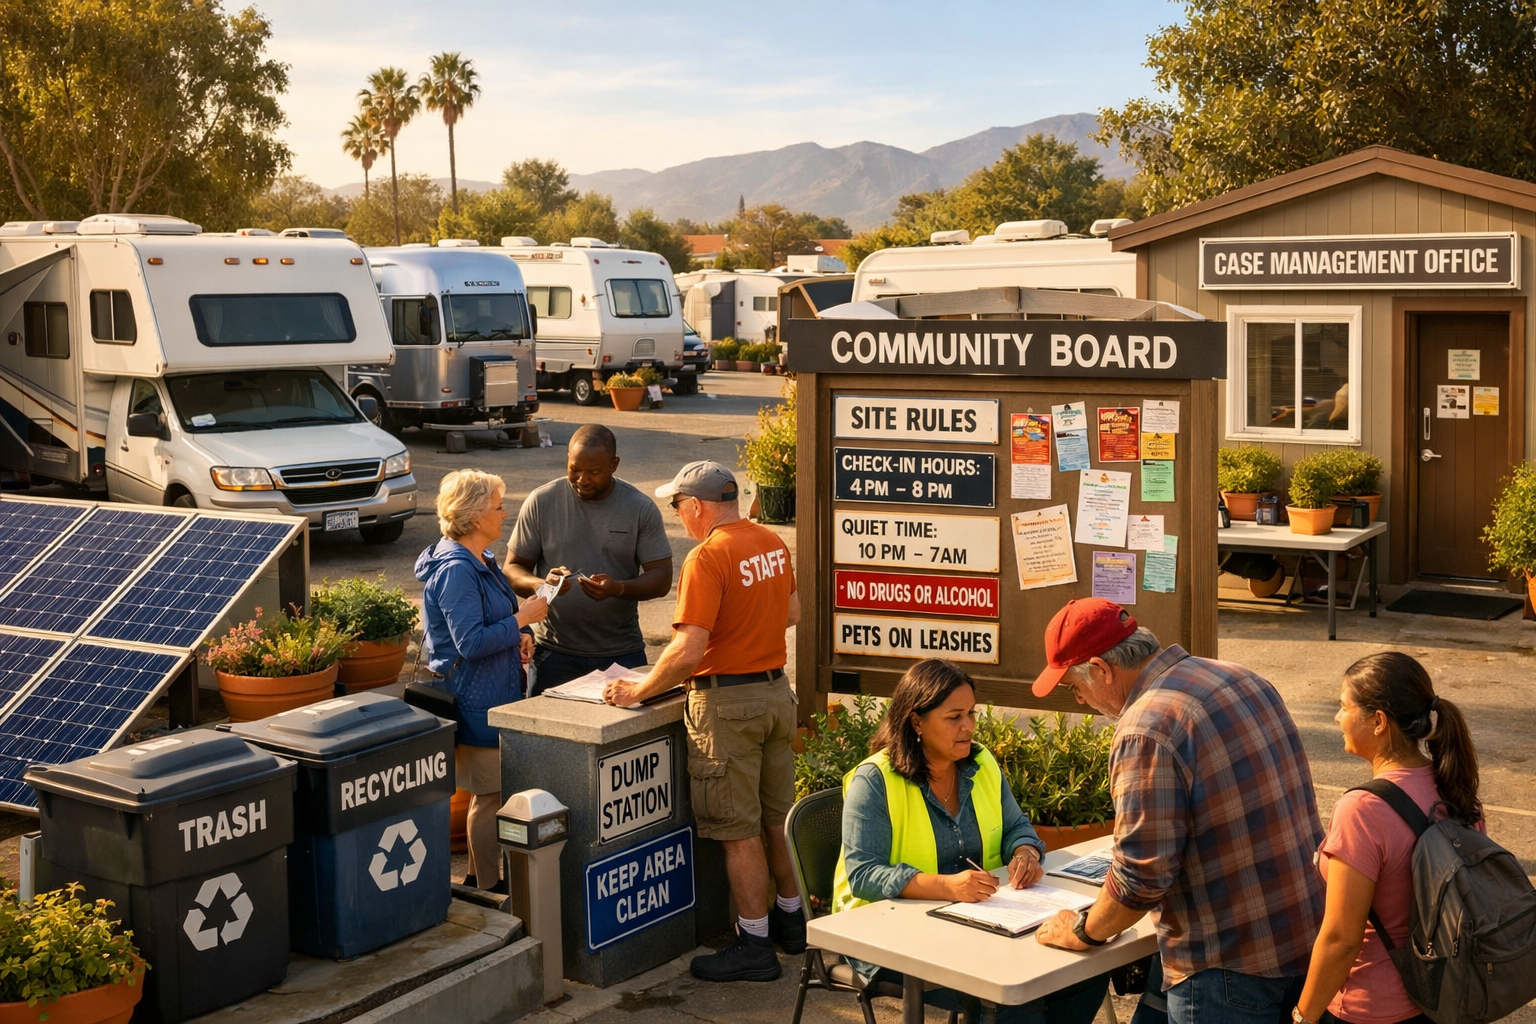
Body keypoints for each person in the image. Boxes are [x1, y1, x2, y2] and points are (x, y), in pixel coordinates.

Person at [1031, 598, 1325, 1024]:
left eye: (1073, 685)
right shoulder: (1240, 676)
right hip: (1303, 934)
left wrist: (1083, 931)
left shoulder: (1145, 727)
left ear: (1101, 669)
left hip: (1226, 964)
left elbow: (1142, 877)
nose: (1078, 699)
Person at [601, 460, 801, 983]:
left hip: (728, 706)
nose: (676, 515)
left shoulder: (707, 556)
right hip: (777, 692)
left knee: (738, 832)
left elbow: (688, 651)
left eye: (677, 506)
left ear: (697, 506)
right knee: (777, 819)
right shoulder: (770, 542)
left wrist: (640, 689)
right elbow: (792, 611)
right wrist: (746, 625)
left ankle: (754, 945)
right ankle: (792, 921)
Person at [834, 659, 1110, 1024]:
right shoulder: (875, 780)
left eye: (971, 714)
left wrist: (1025, 852)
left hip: (979, 925)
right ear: (916, 721)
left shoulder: (981, 762)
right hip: (890, 937)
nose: (968, 727)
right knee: (1017, 995)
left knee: (1084, 967)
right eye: (954, 717)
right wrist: (947, 886)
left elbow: (1017, 828)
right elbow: (865, 875)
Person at [1293, 653, 1483, 1024]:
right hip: (1440, 998)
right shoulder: (1457, 791)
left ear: (1378, 721)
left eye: (1344, 707)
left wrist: (1304, 1015)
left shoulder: (1363, 810)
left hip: (1372, 1006)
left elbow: (1341, 940)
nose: (1337, 717)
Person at [416, 469, 548, 893]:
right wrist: (521, 619)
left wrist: (520, 637)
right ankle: (490, 889)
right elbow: (470, 642)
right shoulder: (457, 569)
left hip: (493, 692)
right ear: (474, 517)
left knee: (486, 796)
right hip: (475, 699)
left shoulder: (481, 559)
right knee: (489, 798)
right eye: (498, 506)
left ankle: (478, 877)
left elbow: (490, 626)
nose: (505, 513)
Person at [506, 424, 672, 694]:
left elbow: (662, 578)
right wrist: (542, 584)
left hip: (621, 653)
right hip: (553, 653)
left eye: (593, 472)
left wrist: (618, 588)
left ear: (614, 465)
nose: (582, 479)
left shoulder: (639, 508)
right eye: (574, 469)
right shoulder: (542, 501)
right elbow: (512, 569)